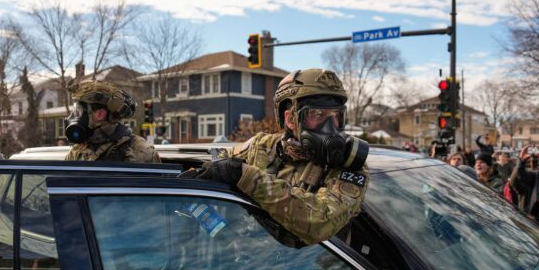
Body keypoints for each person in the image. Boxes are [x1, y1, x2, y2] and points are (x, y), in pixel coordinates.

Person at [184, 69, 369, 245]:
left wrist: (246, 176)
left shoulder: (349, 166)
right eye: (318, 114)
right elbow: (210, 175)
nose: (331, 124)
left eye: (336, 115)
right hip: (253, 266)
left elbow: (320, 222)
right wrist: (223, 234)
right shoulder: (260, 147)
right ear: (290, 119)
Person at [64, 81, 160, 163]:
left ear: (100, 114)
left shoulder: (142, 152)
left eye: (78, 111)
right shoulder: (76, 152)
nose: (74, 116)